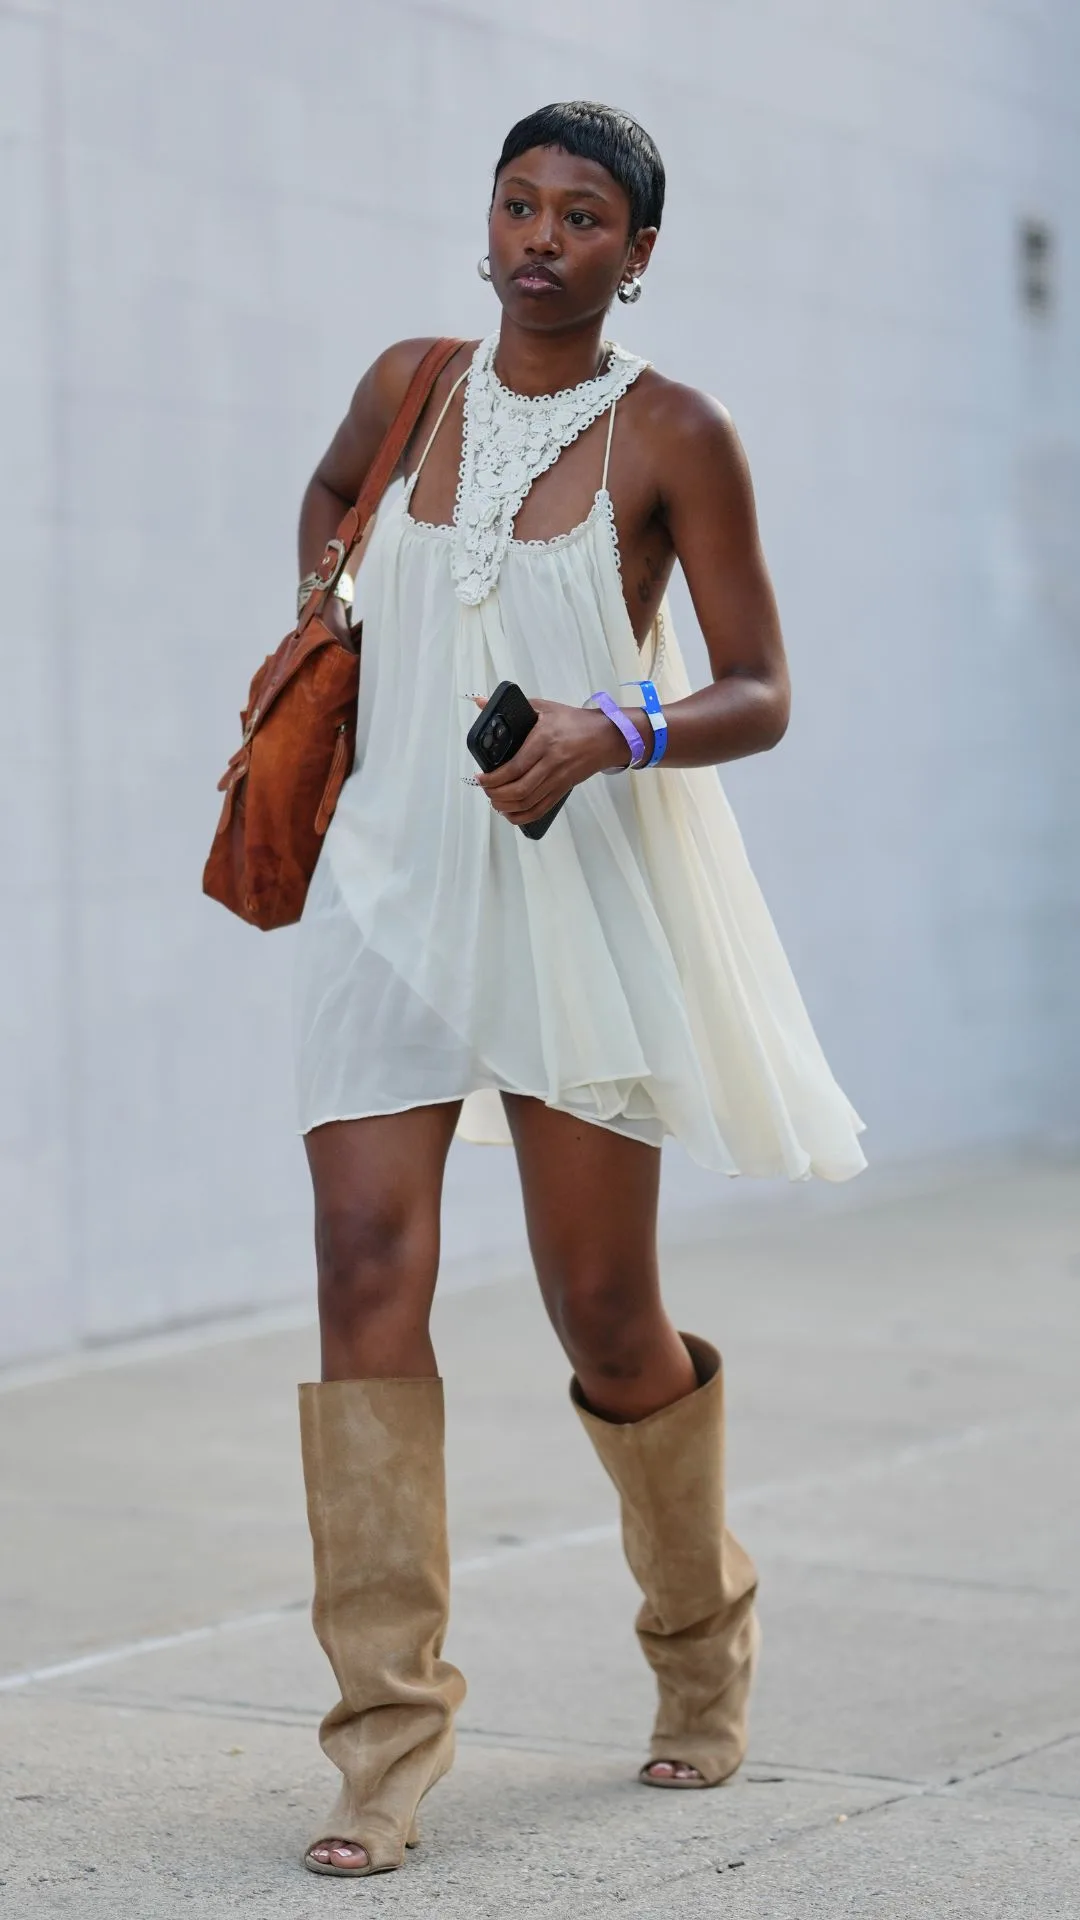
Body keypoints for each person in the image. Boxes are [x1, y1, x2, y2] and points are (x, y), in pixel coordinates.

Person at [291, 100, 865, 1879]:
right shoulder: (408, 388)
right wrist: (334, 618)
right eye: (519, 203)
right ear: (487, 219)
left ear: (638, 251)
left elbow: (761, 688)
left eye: (583, 215)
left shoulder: (676, 432)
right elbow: (328, 498)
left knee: (603, 1310)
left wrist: (614, 726)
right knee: (362, 1266)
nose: (540, 238)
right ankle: (384, 1745)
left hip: (574, 888)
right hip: (388, 883)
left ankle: (701, 1647)